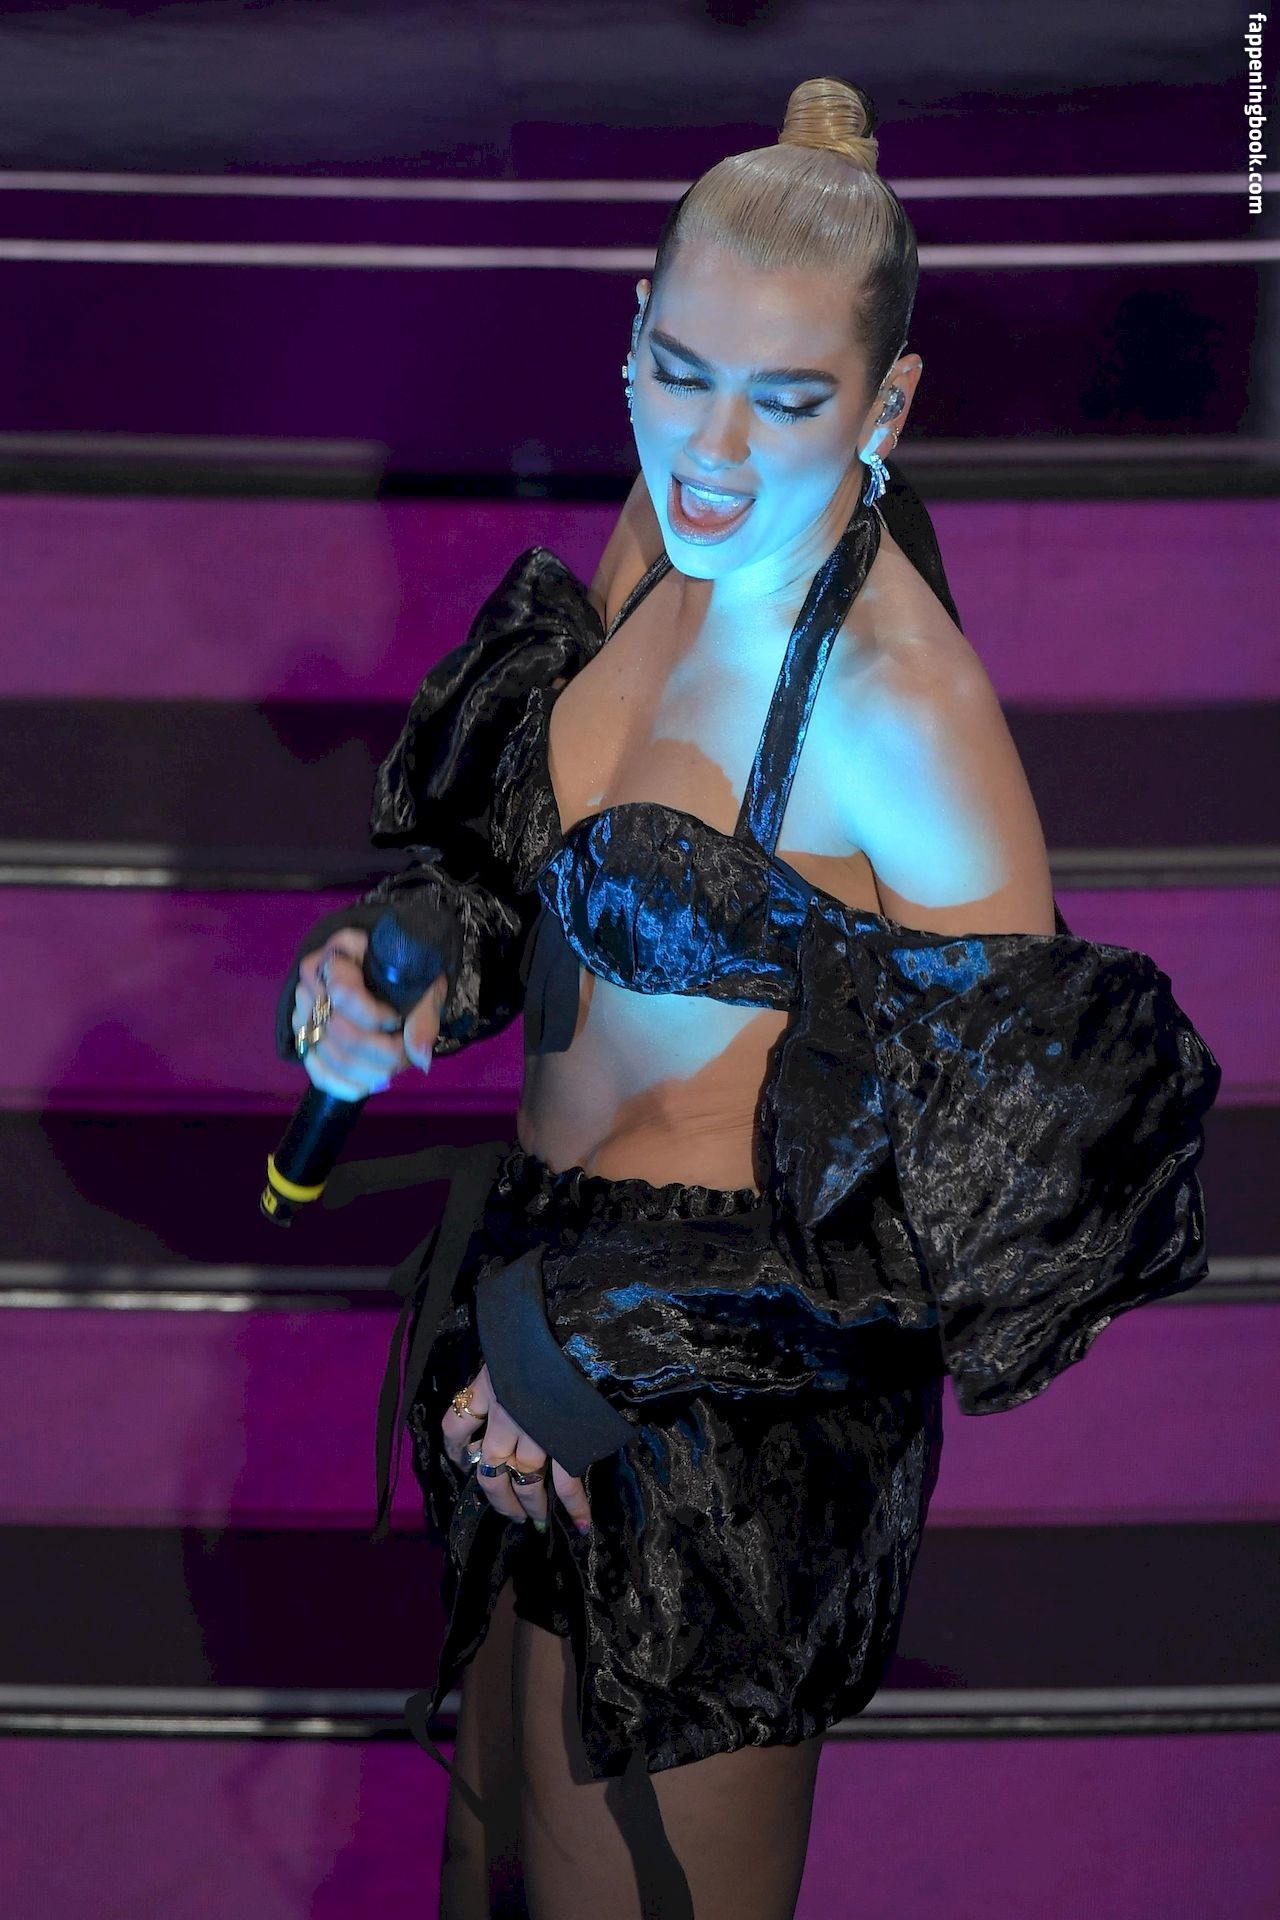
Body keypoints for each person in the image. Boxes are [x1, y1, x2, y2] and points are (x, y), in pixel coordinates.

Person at [274, 76, 1222, 1920]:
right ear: (634, 331)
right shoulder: (664, 532)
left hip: (721, 1403)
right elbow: (548, 866)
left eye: (784, 402)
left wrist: (604, 1346)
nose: (712, 447)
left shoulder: (898, 707)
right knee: (489, 1867)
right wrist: (426, 967)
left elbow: (1012, 1194)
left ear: (887, 406)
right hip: (536, 1308)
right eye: (679, 371)